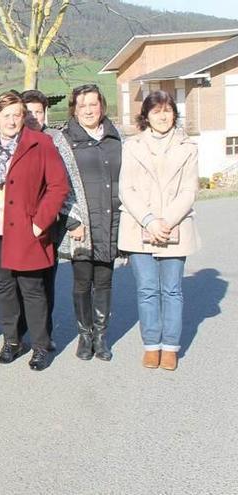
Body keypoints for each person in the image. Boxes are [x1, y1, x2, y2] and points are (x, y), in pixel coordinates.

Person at [0, 90, 69, 371]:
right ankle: (12, 341)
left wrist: (40, 221)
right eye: (6, 115)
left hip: (27, 229)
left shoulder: (40, 143)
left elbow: (58, 186)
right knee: (5, 288)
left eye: (17, 114)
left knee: (32, 289)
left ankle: (40, 345)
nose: (12, 121)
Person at [119, 90, 200, 371]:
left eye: (167, 111)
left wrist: (166, 221)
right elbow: (125, 188)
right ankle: (151, 344)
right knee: (147, 289)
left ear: (175, 114)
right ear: (147, 116)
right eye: (156, 111)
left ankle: (171, 346)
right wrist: (150, 220)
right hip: (139, 224)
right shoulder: (131, 145)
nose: (163, 116)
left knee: (173, 290)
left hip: (175, 226)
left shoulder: (188, 147)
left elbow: (190, 189)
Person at [21, 89, 91, 350]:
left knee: (44, 281)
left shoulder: (55, 139)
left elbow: (67, 181)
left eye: (38, 112)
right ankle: (19, 332)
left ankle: (44, 334)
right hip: (19, 223)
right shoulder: (12, 139)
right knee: (21, 283)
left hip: (50, 222)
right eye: (28, 112)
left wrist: (73, 218)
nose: (33, 117)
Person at [61, 84, 122, 361]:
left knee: (105, 281)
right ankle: (84, 336)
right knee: (82, 282)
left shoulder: (114, 137)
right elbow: (59, 183)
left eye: (93, 104)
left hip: (110, 219)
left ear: (102, 106)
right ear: (74, 108)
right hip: (81, 225)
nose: (88, 110)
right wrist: (72, 220)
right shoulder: (64, 140)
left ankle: (101, 336)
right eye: (82, 105)